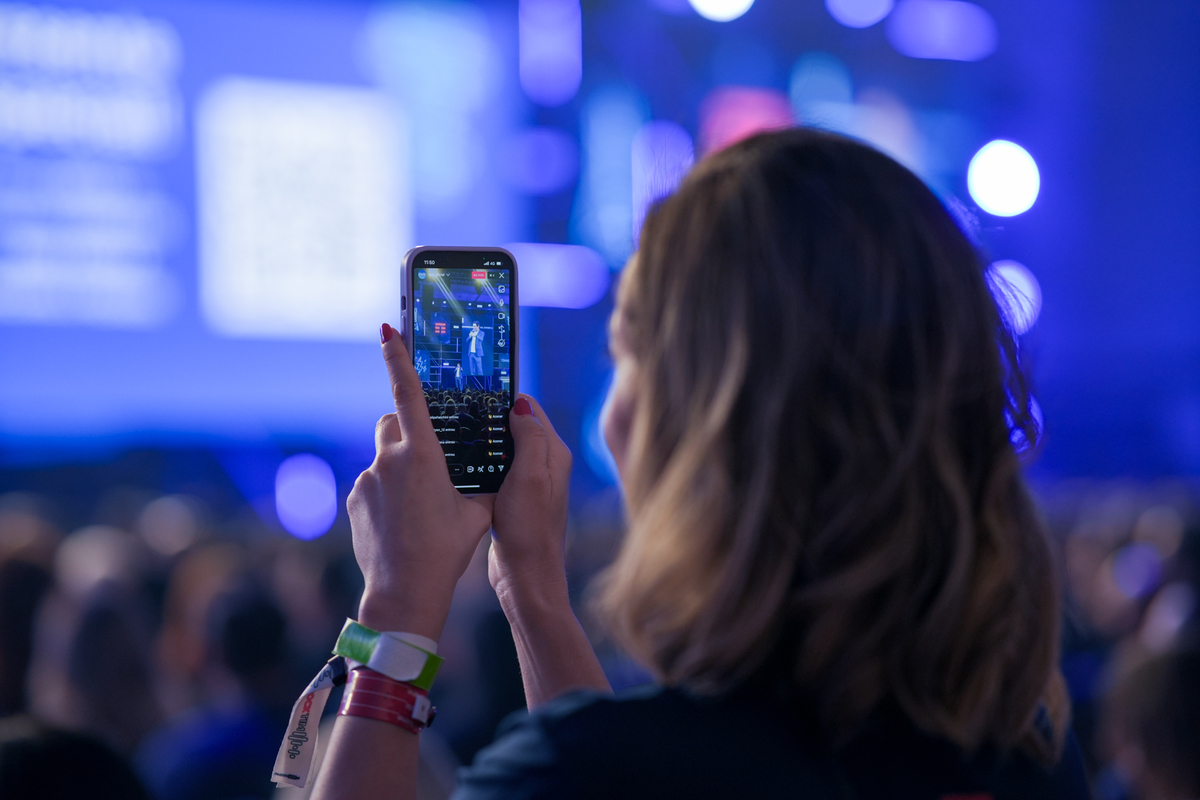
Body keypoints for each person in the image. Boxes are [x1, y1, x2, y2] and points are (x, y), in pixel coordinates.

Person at [308, 129, 1090, 799]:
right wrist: (533, 591)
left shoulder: (586, 771)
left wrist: (398, 608)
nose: (612, 417)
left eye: (624, 359)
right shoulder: (1031, 757)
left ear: (702, 423)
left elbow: (610, 774)